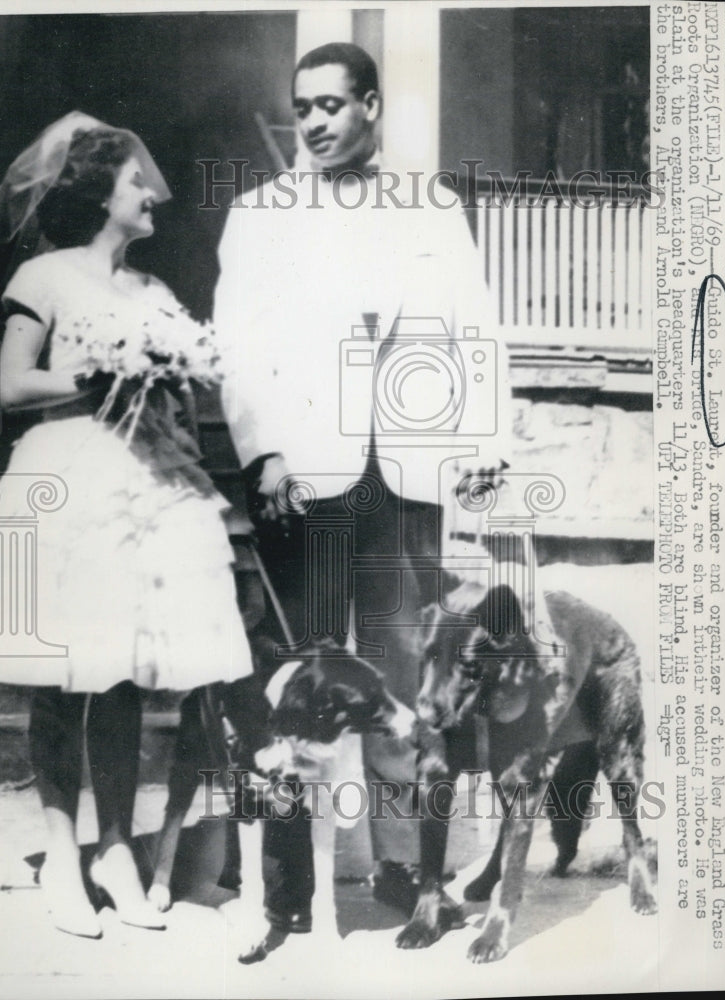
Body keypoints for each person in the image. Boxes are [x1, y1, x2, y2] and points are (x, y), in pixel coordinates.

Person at [214, 42, 526, 960]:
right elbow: (238, 343)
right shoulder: (259, 214)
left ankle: (405, 870)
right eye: (300, 106)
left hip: (405, 478)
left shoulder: (430, 208)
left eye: (329, 105)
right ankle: (282, 893)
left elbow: (472, 327)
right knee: (294, 691)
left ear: (372, 106)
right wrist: (261, 451)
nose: (311, 122)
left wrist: (482, 445)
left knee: (404, 690)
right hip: (302, 479)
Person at [0, 113, 256, 939]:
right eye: (133, 182)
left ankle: (115, 846)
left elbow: (181, 391)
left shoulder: (154, 293)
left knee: (123, 671)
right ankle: (60, 852)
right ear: (96, 195)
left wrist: (165, 376)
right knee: (59, 673)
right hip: (68, 477)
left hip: (144, 483)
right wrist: (96, 370)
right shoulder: (43, 277)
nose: (151, 193)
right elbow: (12, 388)